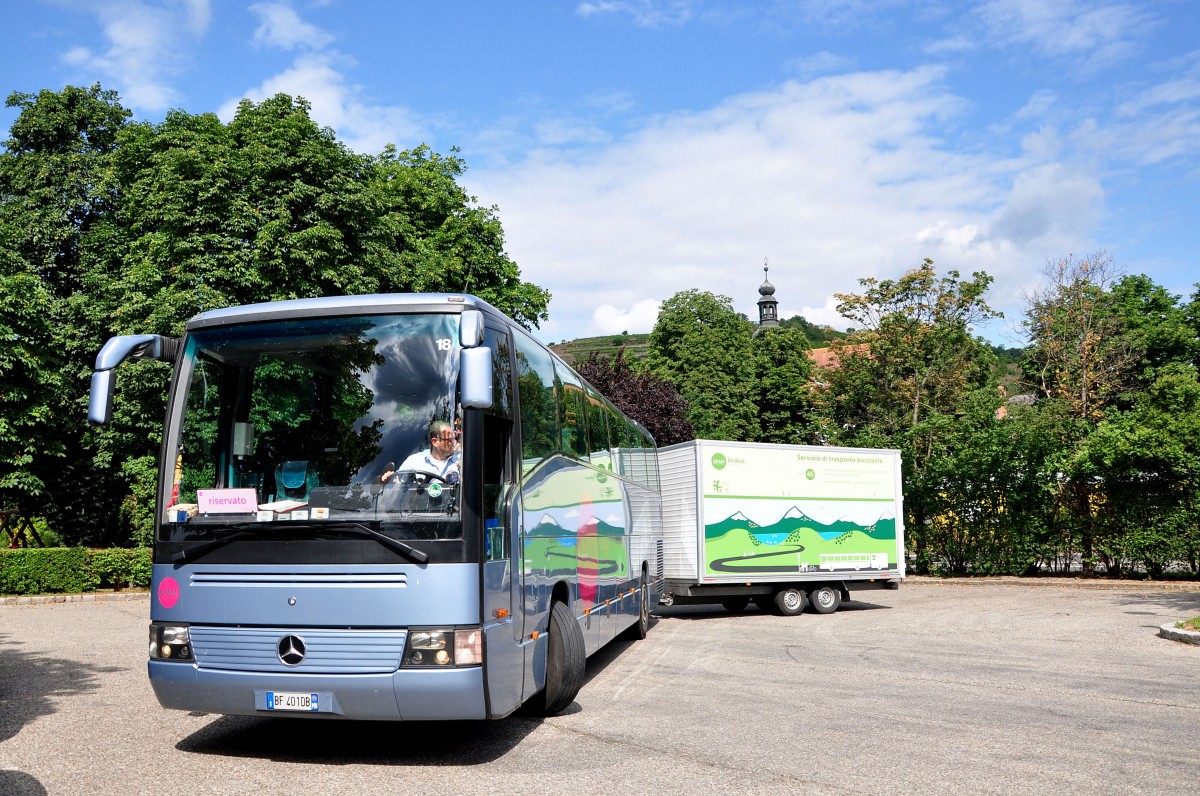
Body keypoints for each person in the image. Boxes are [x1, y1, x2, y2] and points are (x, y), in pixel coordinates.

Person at [381, 420, 461, 483]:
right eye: (450, 439)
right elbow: (398, 483)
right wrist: (390, 479)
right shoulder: (414, 461)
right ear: (435, 442)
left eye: (455, 438)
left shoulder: (461, 460)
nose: (455, 442)